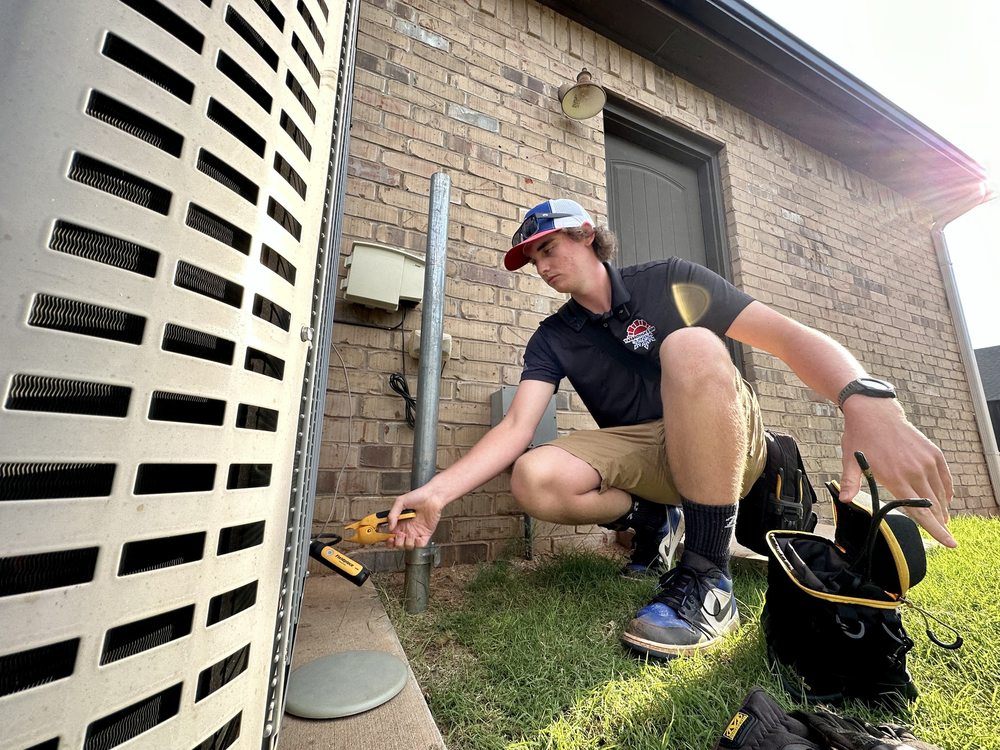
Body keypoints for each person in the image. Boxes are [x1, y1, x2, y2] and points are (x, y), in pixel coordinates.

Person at [387, 198, 956, 660]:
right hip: (649, 455)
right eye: (533, 260)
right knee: (533, 476)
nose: (542, 266)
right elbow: (516, 426)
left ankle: (708, 574)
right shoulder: (554, 336)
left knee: (689, 344)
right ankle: (653, 519)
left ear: (587, 234)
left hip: (727, 437)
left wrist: (865, 398)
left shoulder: (670, 280)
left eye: (549, 248)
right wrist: (436, 492)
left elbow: (786, 336)